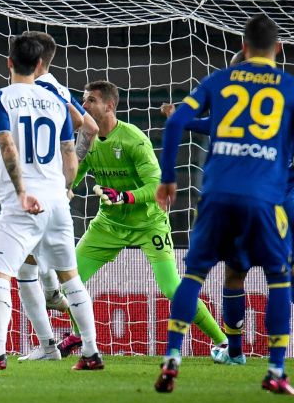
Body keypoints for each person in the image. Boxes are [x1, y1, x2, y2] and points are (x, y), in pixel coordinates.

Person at [155, 14, 294, 394]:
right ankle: (277, 370)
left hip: (216, 196)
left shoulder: (218, 80)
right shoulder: (289, 88)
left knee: (195, 277)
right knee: (279, 278)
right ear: (278, 48)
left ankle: (172, 358)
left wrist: (169, 178)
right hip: (266, 199)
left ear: (244, 48)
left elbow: (175, 124)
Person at [53, 80, 228, 359]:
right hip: (109, 224)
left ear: (109, 106)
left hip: (148, 223)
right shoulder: (88, 139)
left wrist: (124, 197)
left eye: (90, 101)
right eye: (83, 100)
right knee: (69, 282)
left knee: (172, 289)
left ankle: (223, 342)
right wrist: (64, 189)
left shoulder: (133, 139)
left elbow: (156, 187)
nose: (83, 106)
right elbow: (75, 171)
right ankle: (78, 336)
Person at [0, 33, 103, 371]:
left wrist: (24, 191)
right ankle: (90, 353)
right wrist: (66, 188)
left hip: (22, 204)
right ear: (39, 63)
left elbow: (9, 147)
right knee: (71, 278)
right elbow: (70, 152)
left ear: (10, 62)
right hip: (56, 200)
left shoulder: (0, 99)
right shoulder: (56, 99)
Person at [20, 31, 100, 321]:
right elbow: (89, 126)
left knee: (26, 263)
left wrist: (68, 177)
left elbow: (83, 124)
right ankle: (56, 303)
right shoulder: (58, 87)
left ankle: (54, 304)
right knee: (34, 259)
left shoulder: (39, 91)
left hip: (40, 183)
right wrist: (69, 176)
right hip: (53, 185)